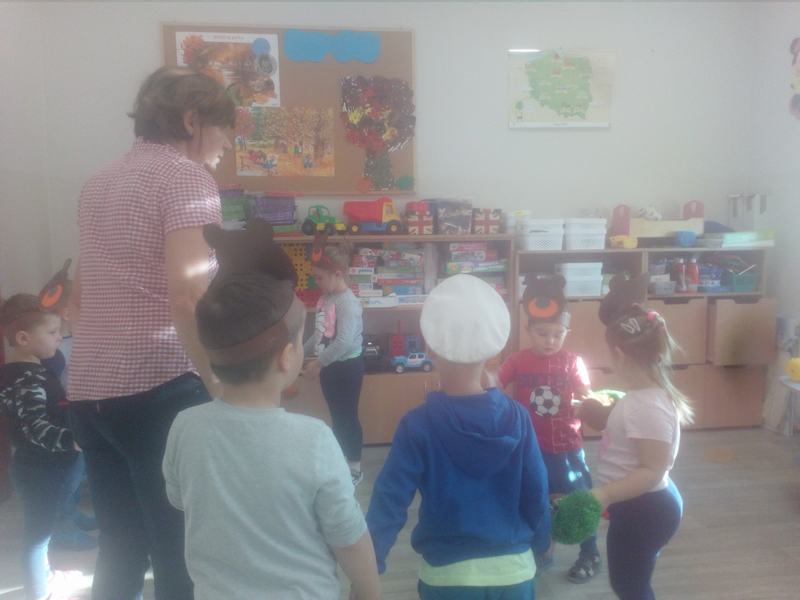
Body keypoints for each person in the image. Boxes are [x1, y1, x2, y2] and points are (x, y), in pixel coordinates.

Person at [67, 66, 234, 600]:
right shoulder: (187, 179)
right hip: (159, 388)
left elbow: (79, 295)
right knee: (178, 549)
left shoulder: (99, 182)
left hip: (90, 389)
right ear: (192, 120)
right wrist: (218, 385)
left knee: (120, 546)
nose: (227, 144)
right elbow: (187, 295)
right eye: (224, 129)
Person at [163, 221, 381, 600]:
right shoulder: (314, 440)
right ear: (286, 357)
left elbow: (179, 499)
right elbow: (349, 538)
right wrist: (368, 590)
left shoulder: (185, 427)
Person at [366, 274, 550, 600]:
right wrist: (542, 543)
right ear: (494, 350)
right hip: (515, 571)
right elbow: (537, 490)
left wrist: (369, 566)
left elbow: (389, 501)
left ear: (429, 347)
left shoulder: (417, 424)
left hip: (447, 576)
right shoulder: (518, 417)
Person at [590, 283, 692, 600]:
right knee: (632, 577)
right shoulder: (642, 398)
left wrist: (605, 493)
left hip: (644, 509)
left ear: (619, 355)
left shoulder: (645, 406)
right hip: (639, 505)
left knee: (630, 586)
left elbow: (651, 470)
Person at [497, 274, 600, 583]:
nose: (550, 341)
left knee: (580, 501)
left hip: (568, 448)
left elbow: (587, 395)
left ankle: (590, 552)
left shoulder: (573, 362)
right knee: (536, 500)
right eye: (542, 334)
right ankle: (543, 552)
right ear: (528, 330)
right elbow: (494, 384)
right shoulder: (517, 360)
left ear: (567, 332)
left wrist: (589, 403)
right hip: (531, 449)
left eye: (558, 334)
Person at [0, 294, 82, 600]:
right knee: (38, 537)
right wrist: (76, 441)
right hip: (43, 470)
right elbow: (36, 430)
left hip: (37, 466)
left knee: (42, 529)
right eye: (52, 332)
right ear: (23, 338)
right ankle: (39, 591)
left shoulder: (20, 373)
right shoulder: (28, 379)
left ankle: (46, 576)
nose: (59, 337)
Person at [303, 242, 366, 485]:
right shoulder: (327, 298)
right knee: (337, 417)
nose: (316, 282)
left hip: (347, 368)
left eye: (319, 277)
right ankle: (342, 462)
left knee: (347, 417)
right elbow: (319, 334)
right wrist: (300, 352)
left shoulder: (347, 303)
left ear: (337, 274)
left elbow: (343, 341)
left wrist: (318, 363)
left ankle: (354, 468)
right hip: (331, 366)